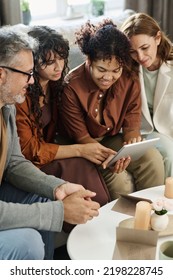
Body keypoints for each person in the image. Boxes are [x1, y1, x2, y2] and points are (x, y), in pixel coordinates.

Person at [0, 26, 100, 260]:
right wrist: (58, 213)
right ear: (1, 74)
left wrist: (57, 187)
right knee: (28, 242)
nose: (32, 79)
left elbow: (14, 162)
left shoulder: (7, 106)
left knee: (47, 194)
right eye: (26, 73)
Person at [58, 18, 165, 199]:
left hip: (111, 139)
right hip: (82, 144)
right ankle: (122, 224)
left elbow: (131, 126)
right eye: (101, 69)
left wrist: (129, 149)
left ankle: (152, 214)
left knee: (152, 159)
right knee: (119, 179)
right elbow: (81, 137)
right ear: (89, 60)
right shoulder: (71, 87)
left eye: (116, 71)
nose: (108, 77)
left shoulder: (129, 79)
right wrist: (114, 158)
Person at [15, 25, 112, 207]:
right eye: (50, 62)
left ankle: (98, 212)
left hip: (48, 153)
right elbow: (29, 151)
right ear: (34, 62)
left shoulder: (56, 86)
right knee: (78, 162)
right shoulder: (21, 94)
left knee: (83, 161)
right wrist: (80, 149)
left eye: (61, 58)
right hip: (28, 164)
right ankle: (89, 215)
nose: (59, 67)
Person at [121, 12, 173, 177]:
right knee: (170, 155)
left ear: (157, 38)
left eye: (144, 48)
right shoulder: (126, 70)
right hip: (144, 130)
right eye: (133, 52)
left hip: (169, 127)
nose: (140, 57)